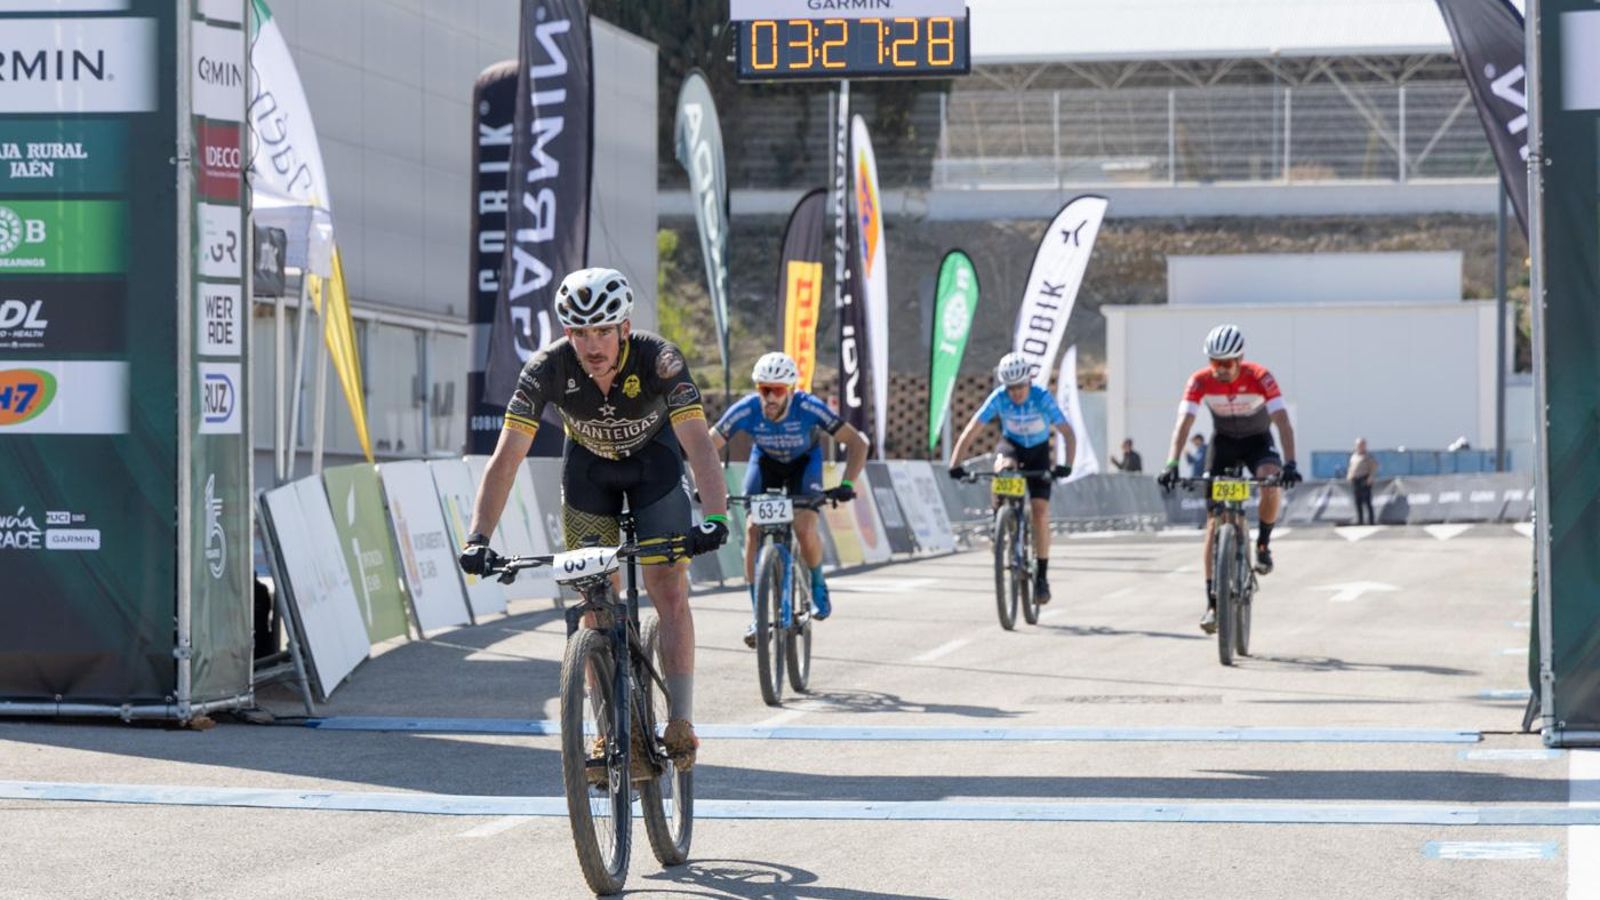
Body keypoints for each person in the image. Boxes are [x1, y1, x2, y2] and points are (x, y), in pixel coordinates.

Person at [457, 267, 729, 770]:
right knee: (593, 595)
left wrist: (714, 516)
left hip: (656, 467)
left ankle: (681, 720)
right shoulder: (546, 370)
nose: (592, 344)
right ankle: (607, 731)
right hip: (590, 474)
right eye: (580, 332)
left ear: (624, 328)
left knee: (668, 587)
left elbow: (698, 444)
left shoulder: (660, 361)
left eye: (602, 330)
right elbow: (506, 459)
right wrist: (478, 537)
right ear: (567, 334)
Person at [711, 351, 870, 646]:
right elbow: (708, 445)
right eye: (763, 389)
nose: (769, 398)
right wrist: (708, 486)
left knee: (805, 527)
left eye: (777, 390)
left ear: (791, 391)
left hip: (804, 464)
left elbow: (857, 442)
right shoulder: (747, 409)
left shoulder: (809, 407)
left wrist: (846, 483)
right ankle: (758, 614)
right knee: (752, 530)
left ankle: (819, 585)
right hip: (766, 464)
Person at [1156, 324, 1301, 635]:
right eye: (1214, 362)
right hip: (1223, 444)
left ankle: (1262, 543)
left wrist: (1290, 463)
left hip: (1258, 442)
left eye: (1226, 363)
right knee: (1213, 522)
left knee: (1269, 480)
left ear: (1240, 358)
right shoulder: (1200, 380)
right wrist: (1171, 463)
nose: (1219, 369)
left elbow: (1282, 421)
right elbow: (1184, 423)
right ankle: (1212, 602)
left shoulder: (1260, 376)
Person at [946, 351, 1077, 603]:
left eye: (1020, 387)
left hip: (1039, 453)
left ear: (1028, 381)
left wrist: (1066, 466)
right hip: (1012, 446)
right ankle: (1000, 519)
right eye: (1010, 388)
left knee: (1039, 511)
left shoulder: (1041, 397)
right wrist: (955, 464)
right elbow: (972, 430)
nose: (1015, 393)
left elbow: (1067, 433)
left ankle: (1041, 576)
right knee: (1003, 466)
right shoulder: (999, 398)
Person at [1347, 437, 1379, 525]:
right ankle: (1360, 520)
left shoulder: (1368, 456)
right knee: (1358, 502)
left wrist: (1371, 477)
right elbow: (1351, 467)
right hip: (1355, 480)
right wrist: (1349, 476)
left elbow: (1374, 467)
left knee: (1367, 502)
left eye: (1361, 445)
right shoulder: (1353, 456)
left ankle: (1371, 521)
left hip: (1364, 479)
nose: (1359, 446)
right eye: (1358, 445)